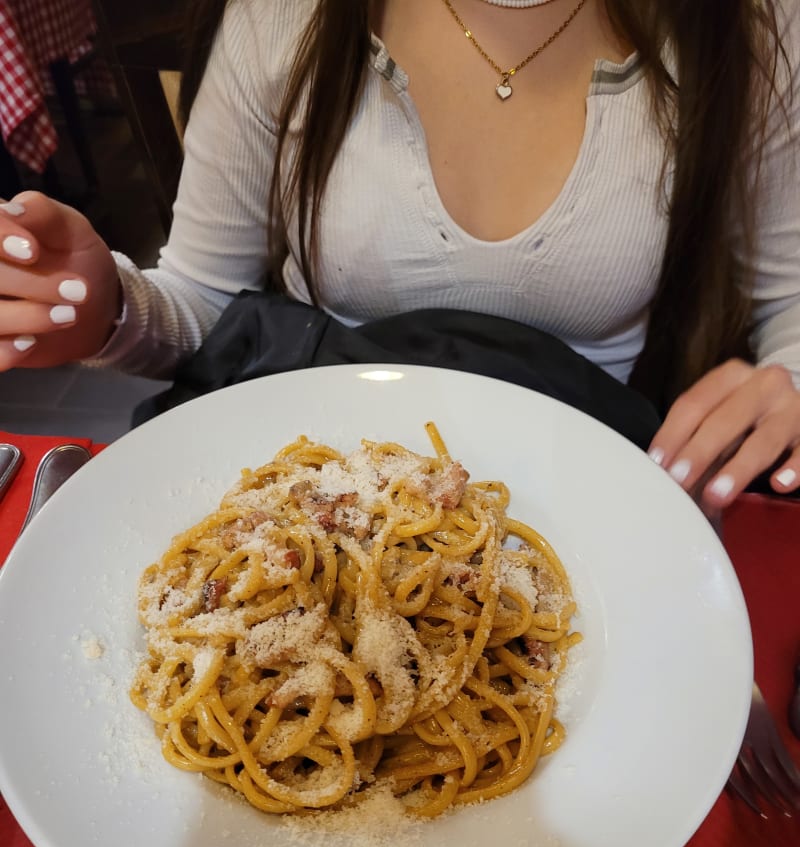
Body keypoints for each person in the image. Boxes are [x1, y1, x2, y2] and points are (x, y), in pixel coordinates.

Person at [0, 0, 798, 508]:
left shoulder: (757, 28)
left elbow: (788, 307)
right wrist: (107, 311)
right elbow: (204, 302)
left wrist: (788, 381)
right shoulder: (281, 18)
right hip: (315, 488)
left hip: (596, 491)